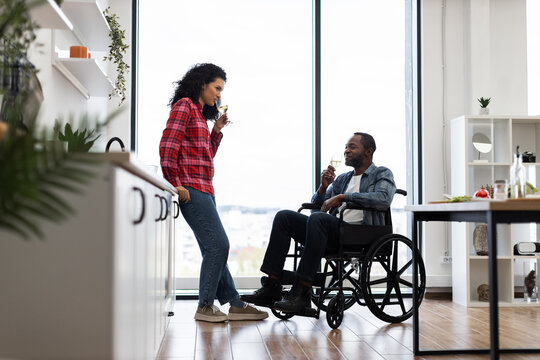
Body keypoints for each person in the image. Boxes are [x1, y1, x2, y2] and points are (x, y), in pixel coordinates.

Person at [242, 132, 396, 314]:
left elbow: (383, 198)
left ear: (368, 151)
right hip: (333, 232)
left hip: (361, 234)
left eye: (352, 147)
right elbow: (318, 210)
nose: (346, 150)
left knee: (318, 220)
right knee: (284, 217)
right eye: (346, 147)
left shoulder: (381, 173)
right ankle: (272, 285)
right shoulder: (343, 179)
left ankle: (302, 292)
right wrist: (323, 188)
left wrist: (343, 197)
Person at [159, 63, 267, 322]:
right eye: (217, 88)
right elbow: (167, 145)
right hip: (191, 188)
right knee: (219, 245)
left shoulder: (197, 113)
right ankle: (205, 306)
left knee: (213, 249)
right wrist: (175, 182)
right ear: (202, 83)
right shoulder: (184, 105)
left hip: (205, 187)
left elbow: (205, 154)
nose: (219, 94)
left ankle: (235, 303)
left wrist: (216, 131)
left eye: (221, 90)